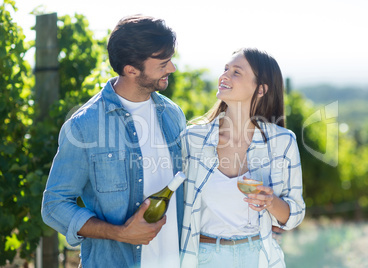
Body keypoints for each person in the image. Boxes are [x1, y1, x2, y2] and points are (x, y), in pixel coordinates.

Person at [41, 15, 186, 268]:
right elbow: (54, 205)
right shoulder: (85, 125)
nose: (172, 68)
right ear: (131, 69)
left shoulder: (173, 113)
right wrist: (120, 233)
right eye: (163, 63)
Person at [180, 48, 305, 267]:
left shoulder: (283, 142)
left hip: (259, 257)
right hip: (204, 257)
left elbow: (294, 214)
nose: (224, 76)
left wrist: (270, 201)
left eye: (237, 72)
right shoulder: (193, 139)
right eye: (226, 69)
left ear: (261, 89)